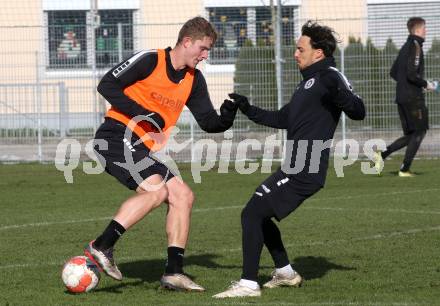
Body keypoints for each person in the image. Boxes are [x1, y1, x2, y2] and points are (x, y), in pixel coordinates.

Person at [84, 17, 238, 291]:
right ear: (186, 42)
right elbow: (107, 84)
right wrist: (141, 113)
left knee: (183, 196)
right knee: (157, 192)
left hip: (138, 146)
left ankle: (173, 272)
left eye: (208, 51)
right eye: (203, 49)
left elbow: (208, 122)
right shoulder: (150, 60)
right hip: (115, 137)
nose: (205, 55)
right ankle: (102, 245)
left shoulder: (193, 80)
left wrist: (227, 116)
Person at [213, 20, 365, 298]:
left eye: (300, 49)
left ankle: (248, 284)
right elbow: (283, 118)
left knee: (251, 213)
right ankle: (284, 272)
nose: (295, 53)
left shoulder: (330, 76)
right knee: (259, 216)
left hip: (305, 168)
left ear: (318, 53)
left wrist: (341, 97)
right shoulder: (308, 83)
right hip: (295, 166)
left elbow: (358, 109)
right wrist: (247, 108)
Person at [373, 17, 438, 177]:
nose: (426, 31)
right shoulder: (416, 47)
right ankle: (404, 169)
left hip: (401, 97)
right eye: (424, 28)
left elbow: (393, 72)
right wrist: (426, 84)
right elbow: (411, 74)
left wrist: (405, 86)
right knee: (420, 131)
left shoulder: (405, 47)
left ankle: (382, 155)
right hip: (413, 98)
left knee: (411, 134)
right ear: (417, 30)